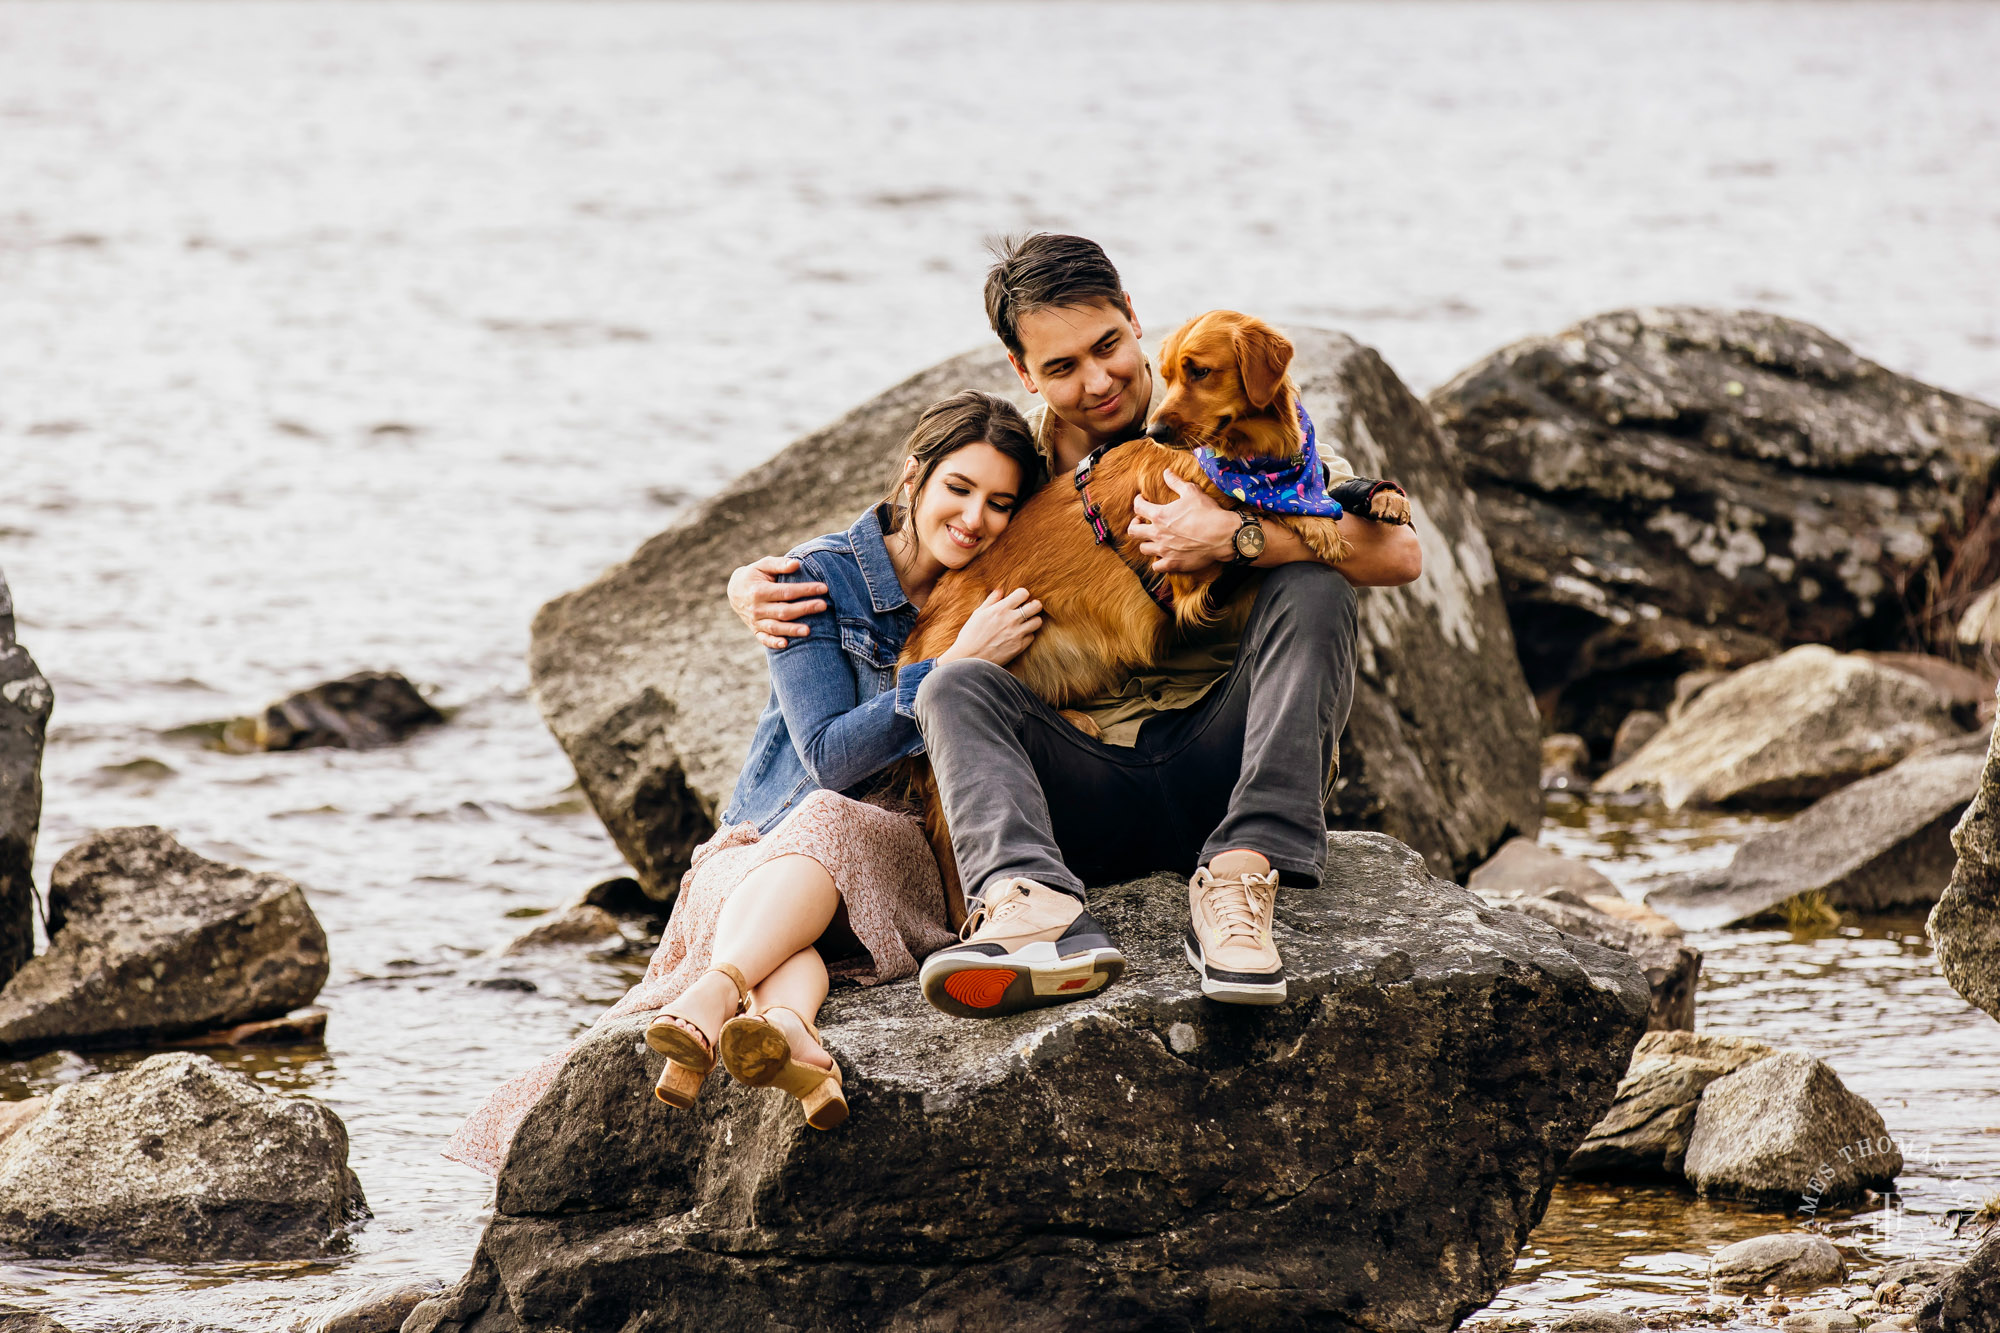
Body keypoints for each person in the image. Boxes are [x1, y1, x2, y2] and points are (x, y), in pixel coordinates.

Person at [728, 234, 1423, 1019]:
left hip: (1216, 762)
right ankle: (1030, 912)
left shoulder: (1230, 420)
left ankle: (1242, 876)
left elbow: (1395, 552)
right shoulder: (1013, 463)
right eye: (1061, 368)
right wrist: (761, 582)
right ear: (1024, 373)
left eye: (1107, 348)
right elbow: (913, 551)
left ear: (1133, 319)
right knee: (953, 678)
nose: (1097, 383)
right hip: (1077, 785)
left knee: (1313, 583)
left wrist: (1232, 539)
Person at [445, 391, 1046, 1171]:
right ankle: (790, 1033)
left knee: (833, 833)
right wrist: (954, 664)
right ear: (914, 477)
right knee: (817, 830)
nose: (975, 518)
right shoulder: (818, 578)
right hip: (763, 844)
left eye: (1001, 503)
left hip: (889, 857)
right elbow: (830, 757)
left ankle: (713, 994)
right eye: (958, 488)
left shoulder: (999, 589)